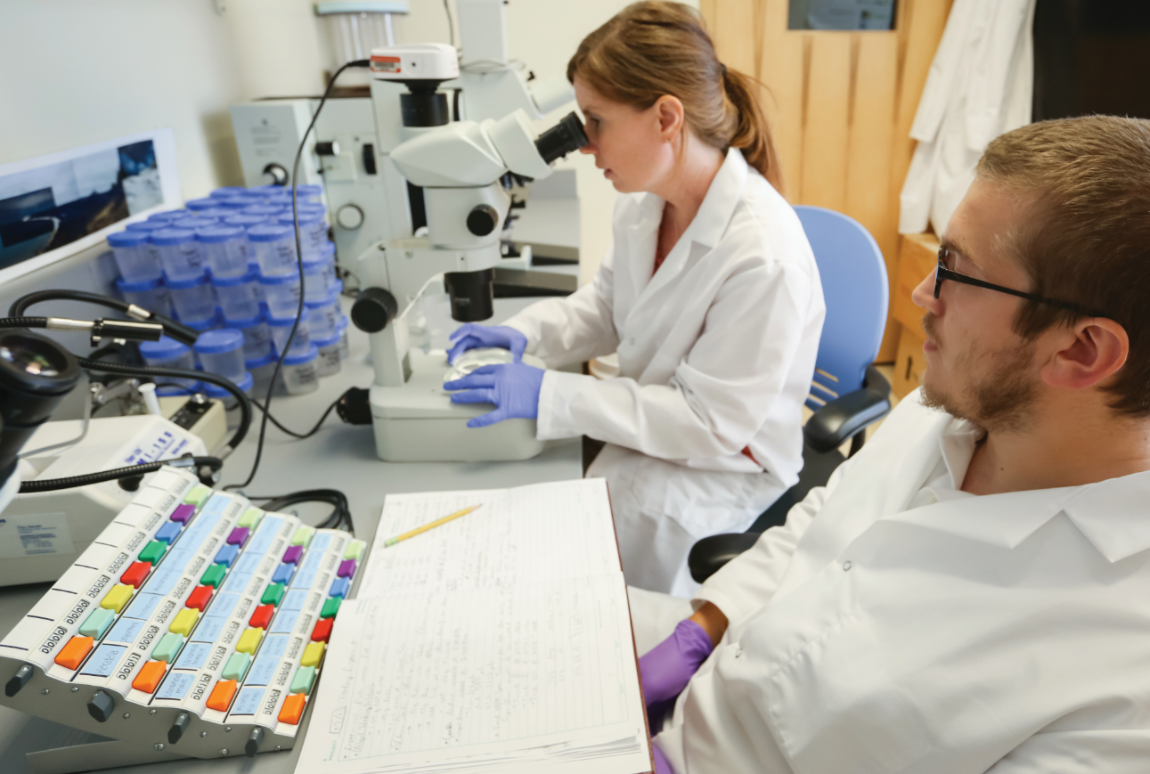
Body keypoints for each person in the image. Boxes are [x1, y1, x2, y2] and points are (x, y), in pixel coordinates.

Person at [631, 114, 1150, 773]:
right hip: (700, 696)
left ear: (1080, 350)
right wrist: (706, 627)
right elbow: (823, 519)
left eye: (956, 271)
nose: (921, 294)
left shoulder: (1125, 678)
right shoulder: (954, 409)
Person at [444, 1, 826, 597]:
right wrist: (528, 333)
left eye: (596, 122)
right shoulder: (646, 199)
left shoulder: (762, 256)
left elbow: (708, 424)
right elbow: (608, 307)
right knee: (556, 529)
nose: (585, 146)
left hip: (723, 466)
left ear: (666, 117)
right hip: (653, 430)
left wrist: (553, 393)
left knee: (599, 570)